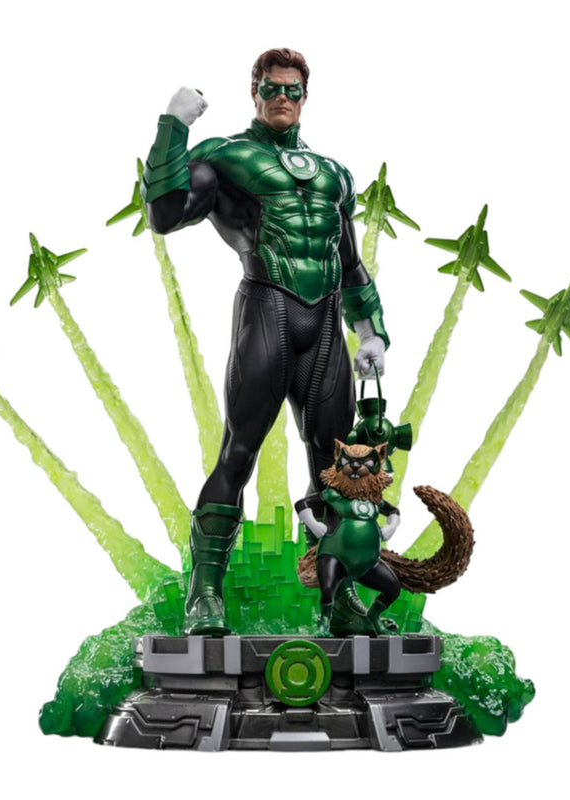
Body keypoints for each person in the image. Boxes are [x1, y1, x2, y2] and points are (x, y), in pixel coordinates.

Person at [142, 48, 390, 636]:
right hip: (267, 311)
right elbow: (165, 213)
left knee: (334, 466)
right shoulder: (228, 157)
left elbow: (349, 260)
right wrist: (173, 125)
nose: (282, 97)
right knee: (239, 452)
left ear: (306, 96)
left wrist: (369, 330)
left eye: (293, 89)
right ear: (254, 92)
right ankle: (205, 593)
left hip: (325, 323)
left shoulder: (333, 174)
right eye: (272, 87)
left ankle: (337, 599)